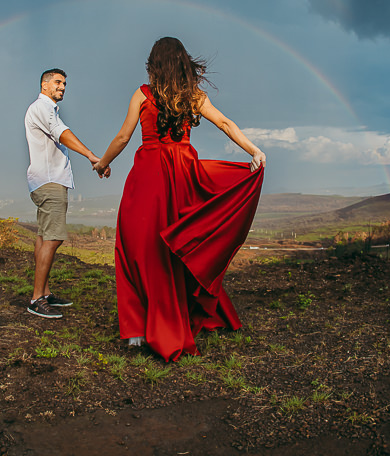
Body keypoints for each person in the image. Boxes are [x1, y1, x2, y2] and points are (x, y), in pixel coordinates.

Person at [94, 37, 265, 361]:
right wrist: (253, 151)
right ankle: (176, 318)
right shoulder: (194, 98)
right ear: (184, 63)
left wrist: (102, 164)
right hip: (184, 173)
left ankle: (135, 331)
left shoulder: (143, 94)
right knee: (180, 246)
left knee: (135, 248)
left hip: (148, 177)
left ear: (154, 65)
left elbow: (123, 136)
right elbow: (226, 123)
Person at [25, 68, 108, 319]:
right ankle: (36, 299)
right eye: (58, 82)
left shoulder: (46, 109)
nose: (62, 87)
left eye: (64, 84)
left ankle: (45, 293)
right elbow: (62, 133)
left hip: (46, 181)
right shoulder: (43, 108)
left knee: (43, 237)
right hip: (49, 181)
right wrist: (92, 156)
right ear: (45, 85)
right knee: (54, 238)